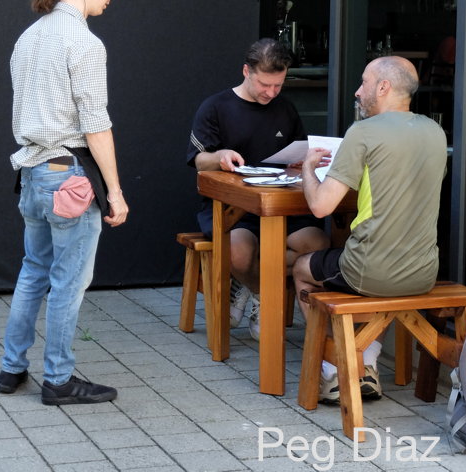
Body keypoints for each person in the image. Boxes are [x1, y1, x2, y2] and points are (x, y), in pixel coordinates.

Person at [0, 0, 129, 405]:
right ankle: (57, 379)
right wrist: (115, 191)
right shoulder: (85, 43)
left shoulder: (29, 37)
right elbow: (96, 124)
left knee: (33, 271)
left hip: (34, 171)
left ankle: (12, 369)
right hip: (68, 174)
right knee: (67, 282)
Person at [293, 56, 446, 403]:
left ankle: (336, 371)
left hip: (371, 270)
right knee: (380, 283)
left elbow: (320, 207)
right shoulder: (435, 132)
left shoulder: (362, 132)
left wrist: (307, 169)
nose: (358, 91)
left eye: (364, 83)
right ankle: (369, 362)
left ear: (383, 87)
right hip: (424, 272)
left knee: (302, 268)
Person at [186, 38, 327, 339]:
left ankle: (248, 283)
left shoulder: (285, 109)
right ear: (246, 71)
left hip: (282, 206)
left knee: (318, 245)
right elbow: (198, 161)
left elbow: (299, 153)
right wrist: (220, 156)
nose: (271, 93)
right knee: (237, 251)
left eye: (278, 85)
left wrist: (302, 163)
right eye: (265, 84)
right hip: (233, 209)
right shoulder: (215, 107)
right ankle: (262, 293)